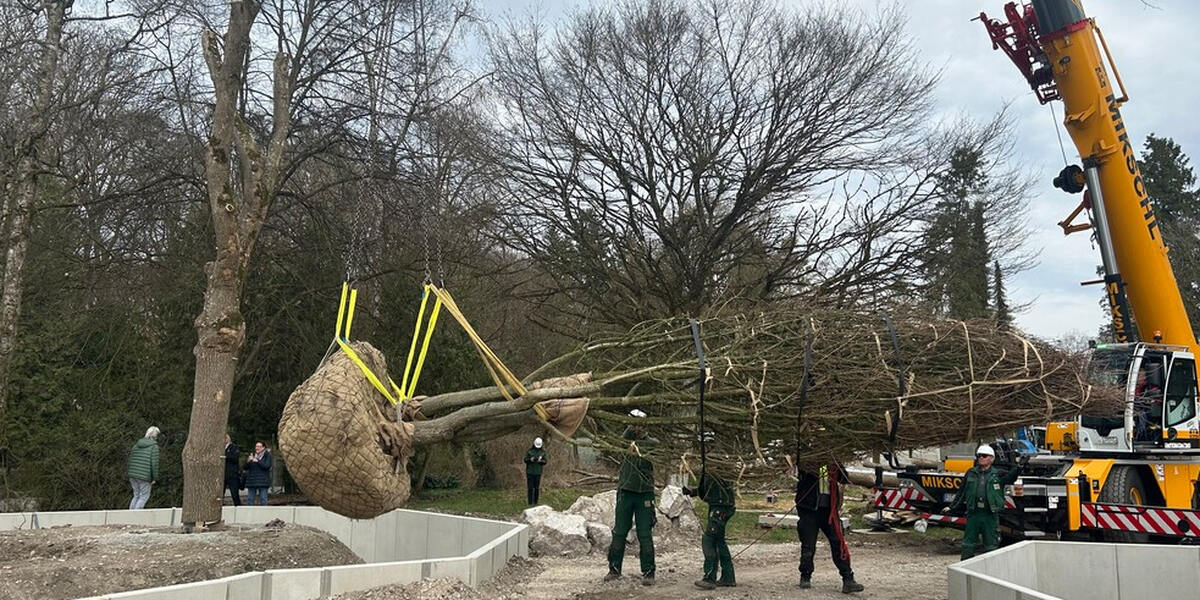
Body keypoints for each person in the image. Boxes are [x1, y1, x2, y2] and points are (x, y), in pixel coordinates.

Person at [604, 409, 658, 586]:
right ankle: (614, 569)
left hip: (644, 494)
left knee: (644, 534)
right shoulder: (626, 441)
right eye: (634, 425)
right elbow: (621, 439)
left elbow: (652, 452)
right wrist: (630, 426)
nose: (637, 429)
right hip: (626, 492)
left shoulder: (651, 444)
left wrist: (639, 429)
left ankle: (649, 572)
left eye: (639, 425)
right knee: (619, 532)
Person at [943, 444, 1026, 559]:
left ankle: (990, 572)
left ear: (991, 458)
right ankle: (965, 570)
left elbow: (1011, 478)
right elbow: (962, 492)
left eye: (984, 455)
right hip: (974, 514)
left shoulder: (998, 474)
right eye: (979, 455)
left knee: (991, 545)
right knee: (968, 544)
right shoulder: (971, 473)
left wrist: (1019, 467)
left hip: (990, 515)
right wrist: (952, 507)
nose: (981, 458)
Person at [796, 461, 863, 593]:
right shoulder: (808, 461)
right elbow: (801, 471)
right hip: (809, 509)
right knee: (808, 545)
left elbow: (844, 478)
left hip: (829, 511)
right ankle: (805, 575)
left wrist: (837, 466)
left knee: (838, 543)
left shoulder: (833, 463)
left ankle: (848, 579)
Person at [683, 462, 737, 589]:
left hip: (721, 507)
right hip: (721, 505)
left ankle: (709, 578)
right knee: (719, 541)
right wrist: (693, 491)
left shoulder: (716, 463)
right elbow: (708, 489)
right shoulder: (712, 463)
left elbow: (714, 486)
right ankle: (728, 577)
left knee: (709, 539)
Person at [127, 426, 160, 510]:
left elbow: (130, 460)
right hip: (145, 476)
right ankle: (136, 518)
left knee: (136, 495)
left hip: (132, 475)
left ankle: (129, 516)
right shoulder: (154, 447)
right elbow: (154, 464)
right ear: (155, 436)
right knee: (144, 496)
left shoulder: (136, 445)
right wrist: (154, 478)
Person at [244, 441, 273, 506]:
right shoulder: (252, 455)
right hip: (252, 481)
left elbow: (267, 466)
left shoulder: (267, 455)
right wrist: (248, 461)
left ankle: (263, 514)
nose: (257, 448)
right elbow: (245, 467)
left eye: (259, 446)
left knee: (263, 500)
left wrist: (257, 461)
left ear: (263, 448)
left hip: (263, 481)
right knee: (250, 500)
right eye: (256, 446)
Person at [523, 437, 547, 506]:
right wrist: (530, 460)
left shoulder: (542, 453)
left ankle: (535, 502)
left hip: (538, 472)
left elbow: (545, 461)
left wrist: (540, 461)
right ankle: (530, 502)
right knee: (530, 488)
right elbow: (525, 460)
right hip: (530, 472)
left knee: (536, 488)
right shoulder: (529, 451)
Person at [224, 434, 242, 506]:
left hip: (232, 474)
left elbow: (235, 458)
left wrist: (225, 456)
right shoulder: (220, 447)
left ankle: (238, 507)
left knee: (234, 494)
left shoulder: (234, 447)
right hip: (223, 475)